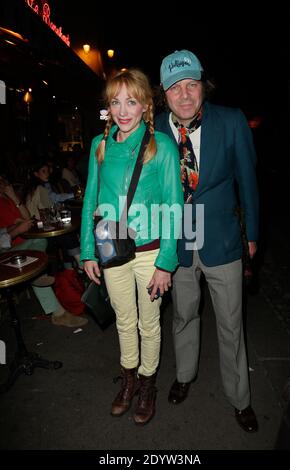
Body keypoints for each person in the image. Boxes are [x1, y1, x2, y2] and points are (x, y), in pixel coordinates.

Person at [155, 50, 259, 433]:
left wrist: (253, 236)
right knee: (183, 315)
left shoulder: (231, 121)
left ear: (203, 86)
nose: (184, 95)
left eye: (192, 85)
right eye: (175, 88)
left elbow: (248, 181)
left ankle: (240, 399)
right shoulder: (156, 132)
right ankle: (184, 375)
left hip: (223, 240)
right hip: (178, 244)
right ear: (163, 94)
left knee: (232, 324)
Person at [80, 69, 183, 425]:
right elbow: (90, 197)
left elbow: (174, 206)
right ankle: (129, 382)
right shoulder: (100, 144)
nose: (123, 110)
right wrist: (87, 251)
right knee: (125, 321)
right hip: (111, 250)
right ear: (108, 106)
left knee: (148, 324)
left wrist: (166, 262)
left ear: (145, 106)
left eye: (131, 101)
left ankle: (148, 385)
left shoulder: (162, 145)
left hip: (151, 253)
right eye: (115, 102)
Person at [0, 174, 88, 328]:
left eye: (3, 179)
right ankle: (58, 309)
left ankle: (67, 271)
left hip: (26, 243)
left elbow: (27, 218)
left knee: (59, 235)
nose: (3, 182)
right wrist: (14, 231)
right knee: (40, 252)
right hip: (8, 252)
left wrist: (13, 197)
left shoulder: (7, 199)